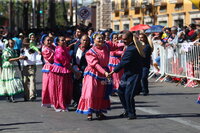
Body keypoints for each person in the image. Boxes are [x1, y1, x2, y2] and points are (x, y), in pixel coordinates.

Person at [76, 33, 112, 120]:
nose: (101, 40)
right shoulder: (90, 52)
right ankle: (89, 112)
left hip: (102, 74)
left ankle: (99, 111)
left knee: (101, 93)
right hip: (92, 74)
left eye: (102, 38)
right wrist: (105, 72)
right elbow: (95, 65)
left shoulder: (106, 48)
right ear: (94, 40)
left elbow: (116, 45)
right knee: (91, 92)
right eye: (98, 38)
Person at [108, 31, 143, 120]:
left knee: (128, 94)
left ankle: (132, 113)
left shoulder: (132, 49)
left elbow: (124, 62)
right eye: (123, 39)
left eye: (125, 39)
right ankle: (127, 110)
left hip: (134, 74)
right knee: (120, 91)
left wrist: (113, 72)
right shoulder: (128, 47)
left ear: (130, 38)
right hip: (127, 74)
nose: (124, 41)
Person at [49, 36, 80, 112]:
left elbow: (67, 49)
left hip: (64, 70)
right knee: (60, 88)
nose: (64, 42)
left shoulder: (63, 48)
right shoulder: (59, 50)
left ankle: (63, 103)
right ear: (58, 42)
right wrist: (75, 72)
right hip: (59, 71)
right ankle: (60, 104)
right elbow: (65, 63)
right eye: (62, 40)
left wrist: (72, 44)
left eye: (64, 40)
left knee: (65, 88)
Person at [72, 35, 91, 108]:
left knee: (82, 86)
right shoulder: (76, 46)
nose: (85, 42)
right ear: (80, 40)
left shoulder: (90, 49)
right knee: (75, 86)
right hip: (75, 68)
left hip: (84, 69)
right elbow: (73, 56)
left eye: (87, 40)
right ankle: (76, 100)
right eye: (83, 40)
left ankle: (82, 102)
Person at [41, 35, 55, 107]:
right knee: (48, 85)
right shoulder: (45, 49)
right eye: (48, 40)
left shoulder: (52, 47)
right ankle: (49, 100)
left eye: (50, 40)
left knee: (53, 85)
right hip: (49, 67)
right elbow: (50, 59)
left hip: (54, 67)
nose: (49, 42)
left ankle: (53, 100)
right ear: (44, 41)